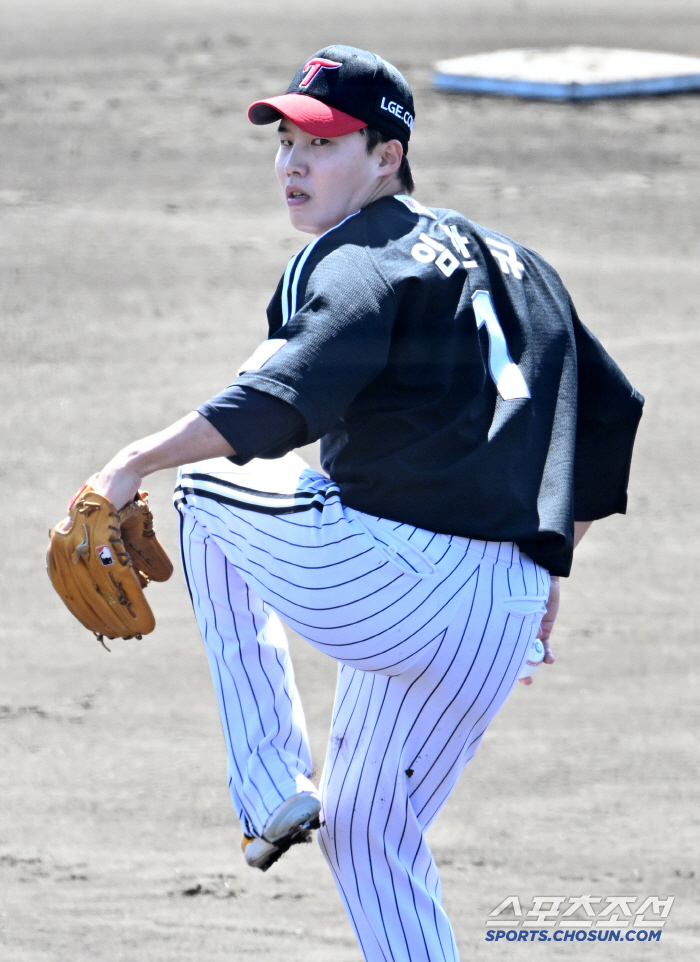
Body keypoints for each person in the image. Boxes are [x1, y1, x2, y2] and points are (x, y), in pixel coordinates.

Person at [91, 45, 643, 962]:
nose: (293, 164)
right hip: (500, 622)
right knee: (371, 840)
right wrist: (554, 557)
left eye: (322, 142)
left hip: (398, 587)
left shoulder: (358, 252)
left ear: (388, 156)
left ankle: (268, 785)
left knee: (204, 486)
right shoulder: (520, 263)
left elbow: (274, 405)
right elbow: (610, 409)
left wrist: (131, 461)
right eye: (284, 143)